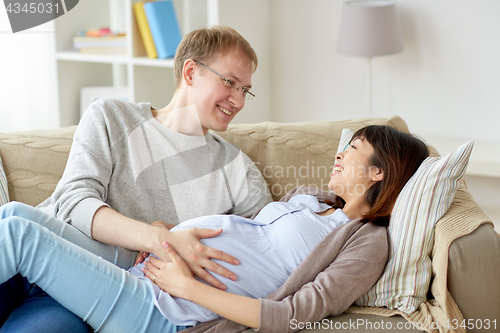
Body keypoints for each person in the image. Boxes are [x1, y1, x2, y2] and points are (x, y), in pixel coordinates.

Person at [0, 125, 429, 333]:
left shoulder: (368, 242)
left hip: (163, 308)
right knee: (15, 215)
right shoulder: (314, 200)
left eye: (351, 150)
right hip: (146, 264)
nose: (338, 156)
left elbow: (294, 315)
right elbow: (246, 234)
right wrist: (165, 236)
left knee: (20, 237)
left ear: (378, 173)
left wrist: (186, 286)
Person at [0, 25, 272, 332]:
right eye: (230, 82)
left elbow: (264, 251)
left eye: (245, 90)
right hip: (23, 250)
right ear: (191, 72)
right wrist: (156, 237)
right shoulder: (112, 116)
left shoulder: (237, 170)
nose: (239, 101)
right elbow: (73, 204)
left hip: (77, 295)